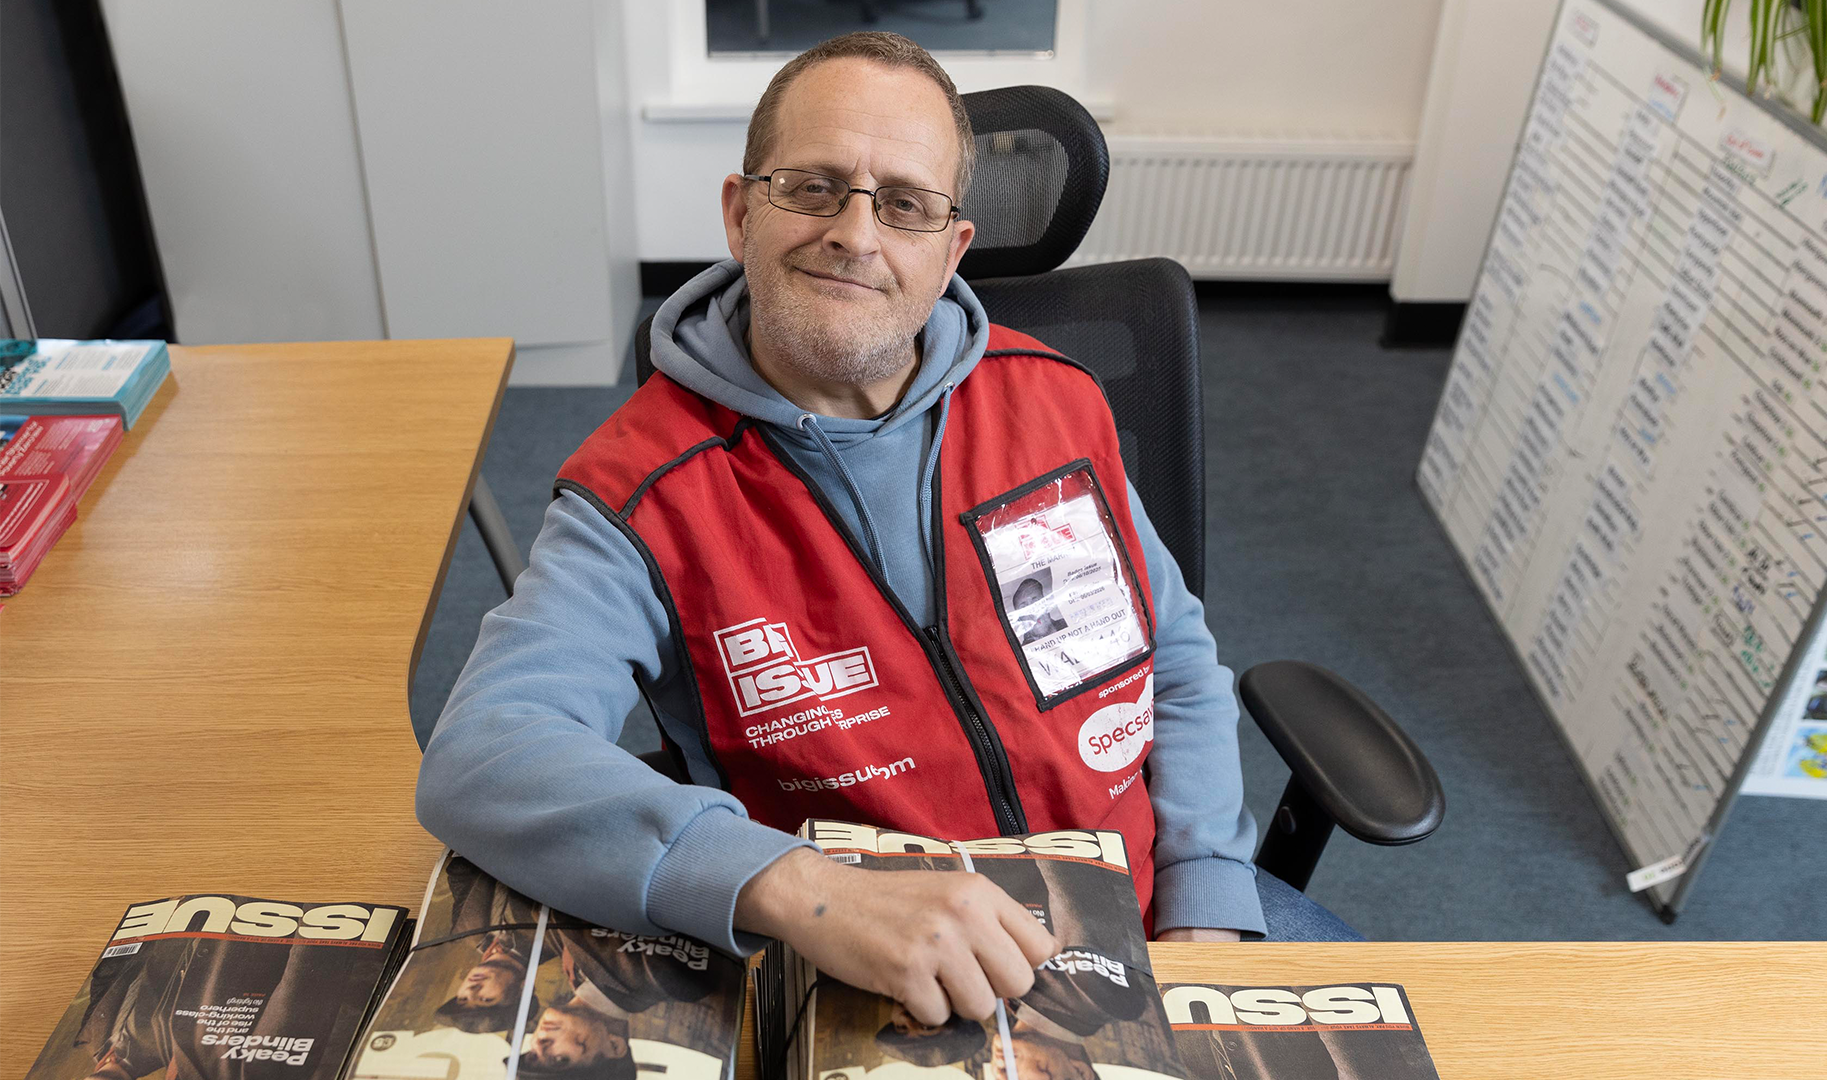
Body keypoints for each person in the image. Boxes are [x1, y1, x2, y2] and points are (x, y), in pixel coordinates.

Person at [416, 29, 1358, 1034]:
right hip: (871, 961)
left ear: (951, 250)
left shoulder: (1057, 402)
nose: (856, 234)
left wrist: (1207, 893)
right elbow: (486, 752)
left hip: (1144, 909)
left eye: (905, 204)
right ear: (740, 214)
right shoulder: (642, 490)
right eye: (814, 187)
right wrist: (804, 890)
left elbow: (1173, 655)